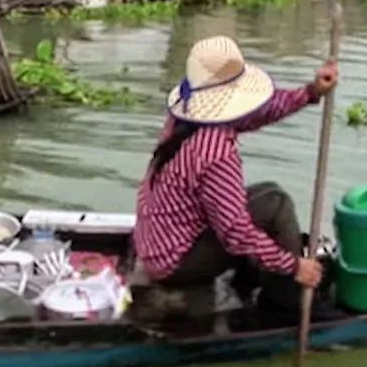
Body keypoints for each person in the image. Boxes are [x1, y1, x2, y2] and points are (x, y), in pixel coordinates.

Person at [133, 35, 339, 329]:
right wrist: (294, 267)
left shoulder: (184, 118)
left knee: (266, 195)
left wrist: (310, 92)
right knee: (275, 203)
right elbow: (236, 234)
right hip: (175, 262)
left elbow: (258, 112)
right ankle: (285, 303)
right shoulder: (215, 151)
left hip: (159, 238)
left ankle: (252, 278)